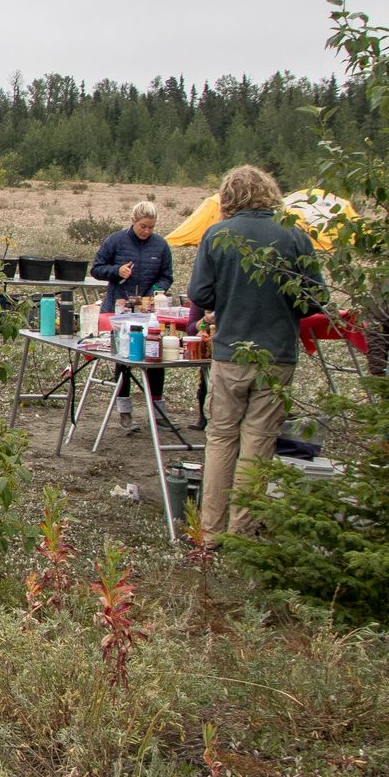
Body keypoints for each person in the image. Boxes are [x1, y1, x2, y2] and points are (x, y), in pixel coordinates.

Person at [188, 164, 324, 539]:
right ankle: (242, 532)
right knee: (258, 442)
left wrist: (229, 298)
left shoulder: (217, 235)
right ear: (270, 193)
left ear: (228, 197)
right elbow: (316, 298)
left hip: (230, 353)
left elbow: (200, 294)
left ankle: (211, 531)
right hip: (276, 355)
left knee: (220, 438)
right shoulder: (294, 235)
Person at [90, 199, 175, 434]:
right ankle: (125, 412)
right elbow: (96, 269)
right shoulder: (115, 241)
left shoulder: (161, 245)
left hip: (148, 313)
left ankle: (158, 411)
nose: (147, 231)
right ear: (133, 221)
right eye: (143, 226)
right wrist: (116, 271)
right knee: (123, 360)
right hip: (118, 311)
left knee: (155, 357)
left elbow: (167, 276)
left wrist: (154, 292)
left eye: (151, 227)